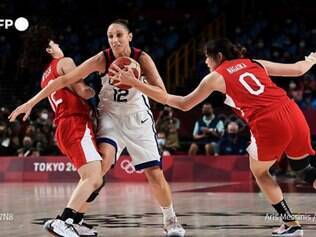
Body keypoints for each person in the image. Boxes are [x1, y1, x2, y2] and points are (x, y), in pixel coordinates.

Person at [108, 38, 316, 237]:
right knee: (304, 169)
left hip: (268, 122)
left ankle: (290, 223)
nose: (205, 62)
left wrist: (135, 83)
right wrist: (311, 60)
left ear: (218, 56)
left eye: (207, 57)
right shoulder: (254, 62)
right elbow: (298, 69)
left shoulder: (216, 77)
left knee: (259, 171)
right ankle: (289, 223)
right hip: (292, 113)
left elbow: (183, 104)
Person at [9, 20, 185, 236]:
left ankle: (171, 220)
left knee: (155, 174)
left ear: (129, 36)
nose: (114, 40)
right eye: (110, 36)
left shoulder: (142, 58)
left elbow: (163, 95)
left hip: (138, 118)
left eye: (119, 35)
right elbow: (63, 80)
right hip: (110, 117)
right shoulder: (102, 58)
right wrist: (30, 103)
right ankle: (73, 219)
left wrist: (134, 81)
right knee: (100, 169)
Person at [13, 26, 104, 237]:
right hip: (75, 124)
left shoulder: (44, 77)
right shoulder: (64, 62)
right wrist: (101, 85)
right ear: (49, 50)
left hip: (64, 127)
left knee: (98, 179)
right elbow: (83, 91)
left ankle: (75, 221)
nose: (59, 46)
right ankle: (61, 221)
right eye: (56, 44)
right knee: (92, 178)